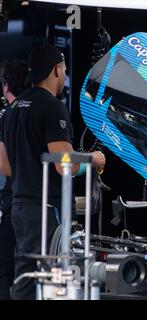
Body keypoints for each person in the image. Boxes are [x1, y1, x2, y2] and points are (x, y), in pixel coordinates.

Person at [0, 44, 106, 299]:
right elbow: (64, 164)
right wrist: (94, 159)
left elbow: (5, 165)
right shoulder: (51, 107)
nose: (65, 76)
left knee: (26, 278)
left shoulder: (12, 110)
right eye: (65, 70)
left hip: (19, 208)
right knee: (54, 278)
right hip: (48, 210)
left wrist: (31, 169)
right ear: (56, 69)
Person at [0, 59, 29, 300]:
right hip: (34, 202)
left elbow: (5, 167)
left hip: (10, 200)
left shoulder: (6, 116)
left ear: (6, 86)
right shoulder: (37, 110)